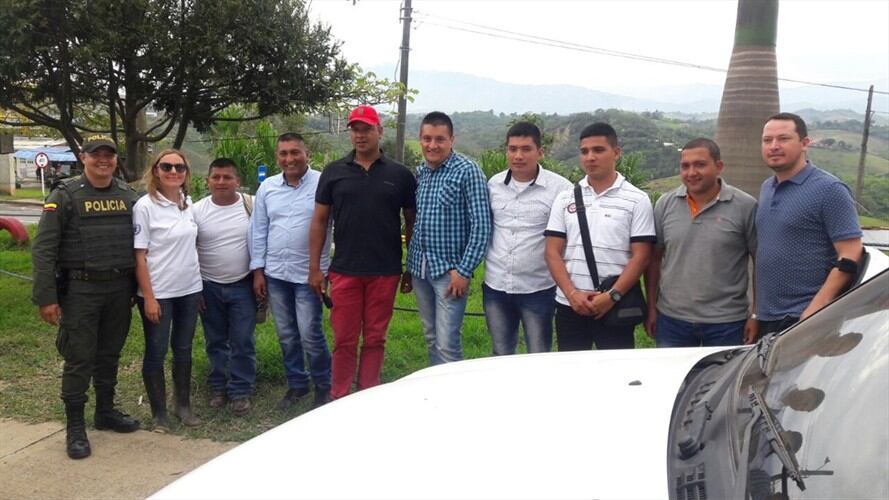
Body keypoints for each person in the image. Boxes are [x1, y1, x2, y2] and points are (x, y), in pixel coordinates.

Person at [32, 138, 140, 459]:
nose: (103, 161)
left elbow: (139, 243)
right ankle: (75, 427)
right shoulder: (65, 196)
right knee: (80, 358)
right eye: (97, 156)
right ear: (83, 158)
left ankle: (105, 411)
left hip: (120, 290)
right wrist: (46, 298)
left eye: (109, 156)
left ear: (116, 160)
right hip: (81, 290)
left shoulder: (129, 196)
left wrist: (136, 289)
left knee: (109, 353)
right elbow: (44, 249)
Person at [308, 105, 417, 400]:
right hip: (344, 270)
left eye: (366, 129)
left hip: (386, 270)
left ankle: (368, 396)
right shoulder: (333, 172)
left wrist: (411, 266)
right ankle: (340, 397)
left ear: (379, 131)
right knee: (344, 340)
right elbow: (320, 221)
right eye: (355, 129)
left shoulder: (401, 174)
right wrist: (315, 268)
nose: (360, 135)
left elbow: (411, 221)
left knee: (375, 338)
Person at [544, 123, 655, 351]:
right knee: (573, 372)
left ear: (616, 152)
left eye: (598, 150)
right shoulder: (565, 198)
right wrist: (572, 293)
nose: (590, 157)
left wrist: (612, 296)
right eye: (584, 151)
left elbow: (641, 256)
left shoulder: (637, 199)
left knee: (617, 374)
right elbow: (552, 252)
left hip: (615, 305)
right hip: (570, 305)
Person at [756, 112, 863, 335]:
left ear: (805, 143)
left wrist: (816, 309)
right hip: (768, 317)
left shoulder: (829, 190)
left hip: (804, 317)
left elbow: (851, 253)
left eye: (783, 139)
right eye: (768, 140)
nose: (774, 146)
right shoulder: (767, 187)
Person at [644, 138, 758, 347]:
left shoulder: (745, 206)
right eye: (685, 166)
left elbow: (760, 262)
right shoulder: (665, 204)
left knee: (724, 380)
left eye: (700, 164)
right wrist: (652, 307)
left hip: (727, 322)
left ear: (719, 167)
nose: (691, 172)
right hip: (672, 321)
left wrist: (755, 314)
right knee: (676, 379)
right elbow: (654, 259)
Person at [251, 133, 332, 409]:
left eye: (295, 152)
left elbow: (332, 226)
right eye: (283, 153)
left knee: (310, 332)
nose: (289, 159)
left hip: (309, 274)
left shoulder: (323, 183)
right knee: (286, 333)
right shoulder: (268, 188)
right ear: (277, 157)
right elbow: (259, 230)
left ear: (306, 153)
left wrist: (322, 270)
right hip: (276, 274)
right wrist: (258, 270)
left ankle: (323, 385)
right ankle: (297, 384)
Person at [407, 111, 492, 365]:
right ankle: (436, 389)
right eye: (427, 138)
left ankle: (452, 396)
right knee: (431, 336)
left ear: (451, 140)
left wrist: (464, 271)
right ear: (420, 139)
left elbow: (481, 226)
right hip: (420, 268)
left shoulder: (468, 171)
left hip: (450, 273)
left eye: (440, 139)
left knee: (447, 343)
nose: (432, 145)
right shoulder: (422, 171)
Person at [484, 122, 572, 355]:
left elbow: (570, 238)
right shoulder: (493, 184)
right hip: (496, 284)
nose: (518, 155)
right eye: (512, 149)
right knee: (500, 352)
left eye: (526, 149)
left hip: (538, 287)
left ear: (540, 152)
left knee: (538, 353)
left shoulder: (561, 189)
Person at [134, 149, 203, 431]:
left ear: (186, 173)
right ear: (156, 171)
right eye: (167, 167)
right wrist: (148, 297)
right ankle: (159, 413)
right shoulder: (145, 206)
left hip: (189, 289)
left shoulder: (188, 204)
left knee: (184, 349)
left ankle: (182, 406)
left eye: (180, 167)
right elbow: (139, 256)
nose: (173, 172)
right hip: (159, 292)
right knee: (157, 350)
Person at [192, 158, 256, 416]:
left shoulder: (251, 205)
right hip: (208, 286)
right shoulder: (196, 210)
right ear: (207, 180)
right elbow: (189, 249)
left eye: (227, 177)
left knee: (242, 340)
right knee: (215, 340)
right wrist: (195, 287)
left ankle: (240, 390)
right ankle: (219, 386)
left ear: (237, 181)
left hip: (243, 284)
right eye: (215, 177)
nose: (221, 182)